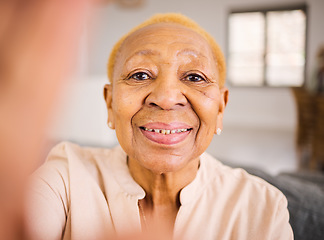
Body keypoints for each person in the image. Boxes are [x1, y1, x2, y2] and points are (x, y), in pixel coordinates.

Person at [25, 13, 293, 240]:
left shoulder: (263, 209)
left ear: (220, 108)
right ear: (110, 103)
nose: (166, 98)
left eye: (194, 77)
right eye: (140, 75)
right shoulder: (65, 177)